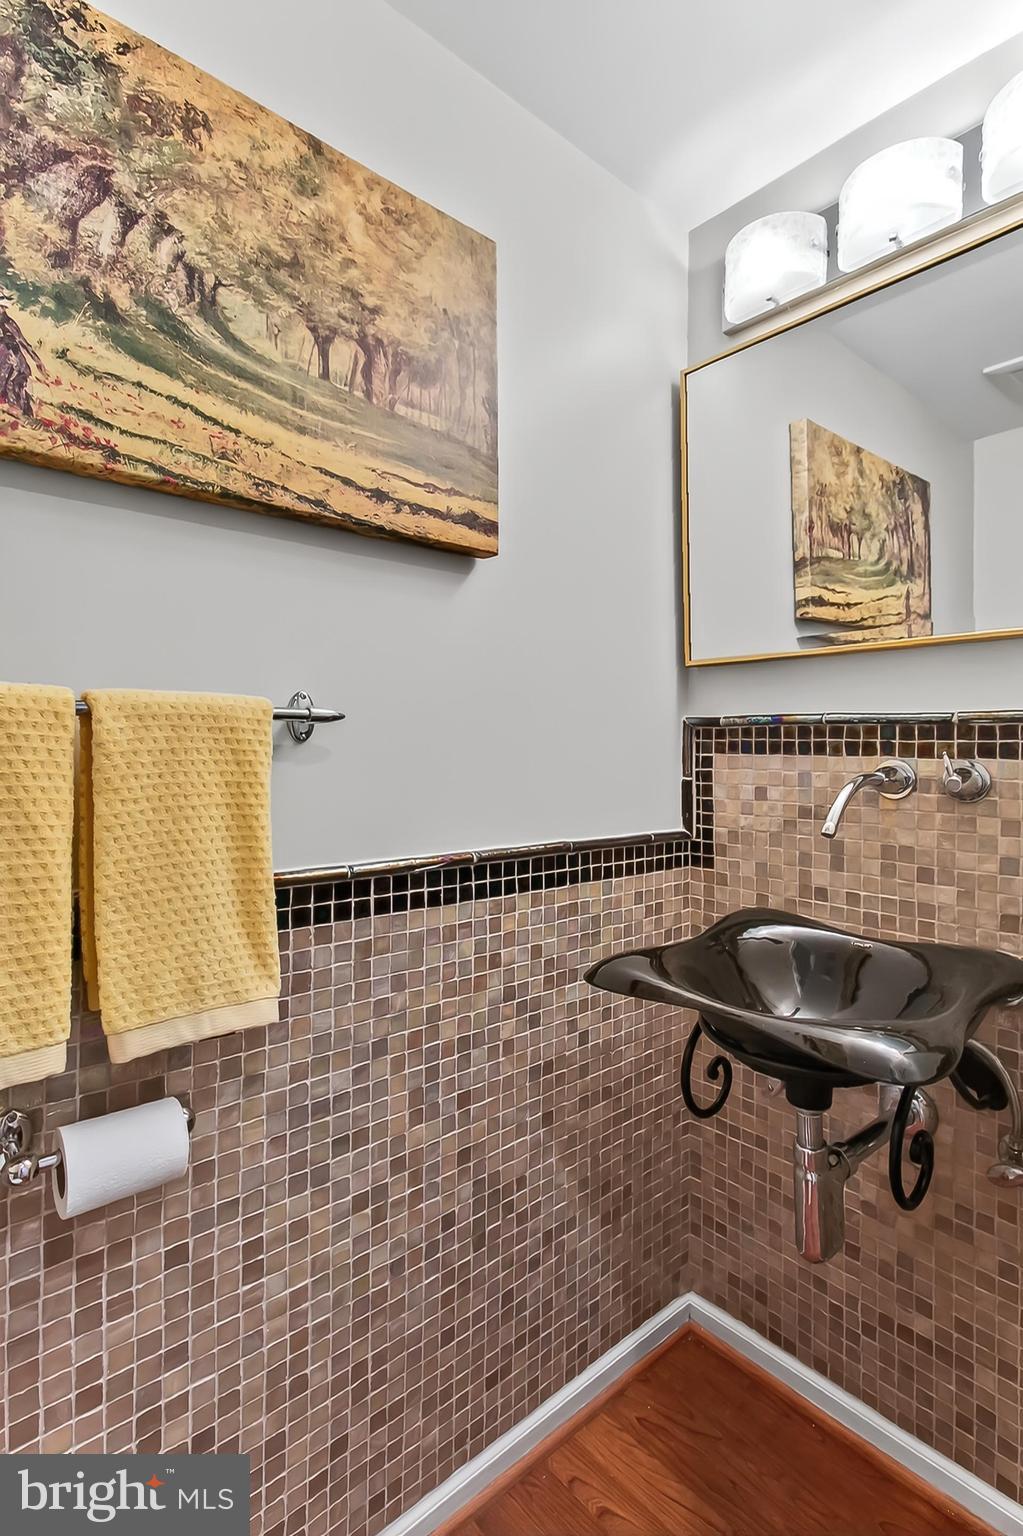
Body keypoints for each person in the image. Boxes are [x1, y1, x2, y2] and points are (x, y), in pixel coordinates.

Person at [0, 290, 42, 417]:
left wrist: (37, 360)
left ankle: (26, 414)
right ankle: (26, 412)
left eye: (2, 307)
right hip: (8, 362)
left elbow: (23, 342)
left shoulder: (8, 323)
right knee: (14, 389)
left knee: (15, 388)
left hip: (13, 362)